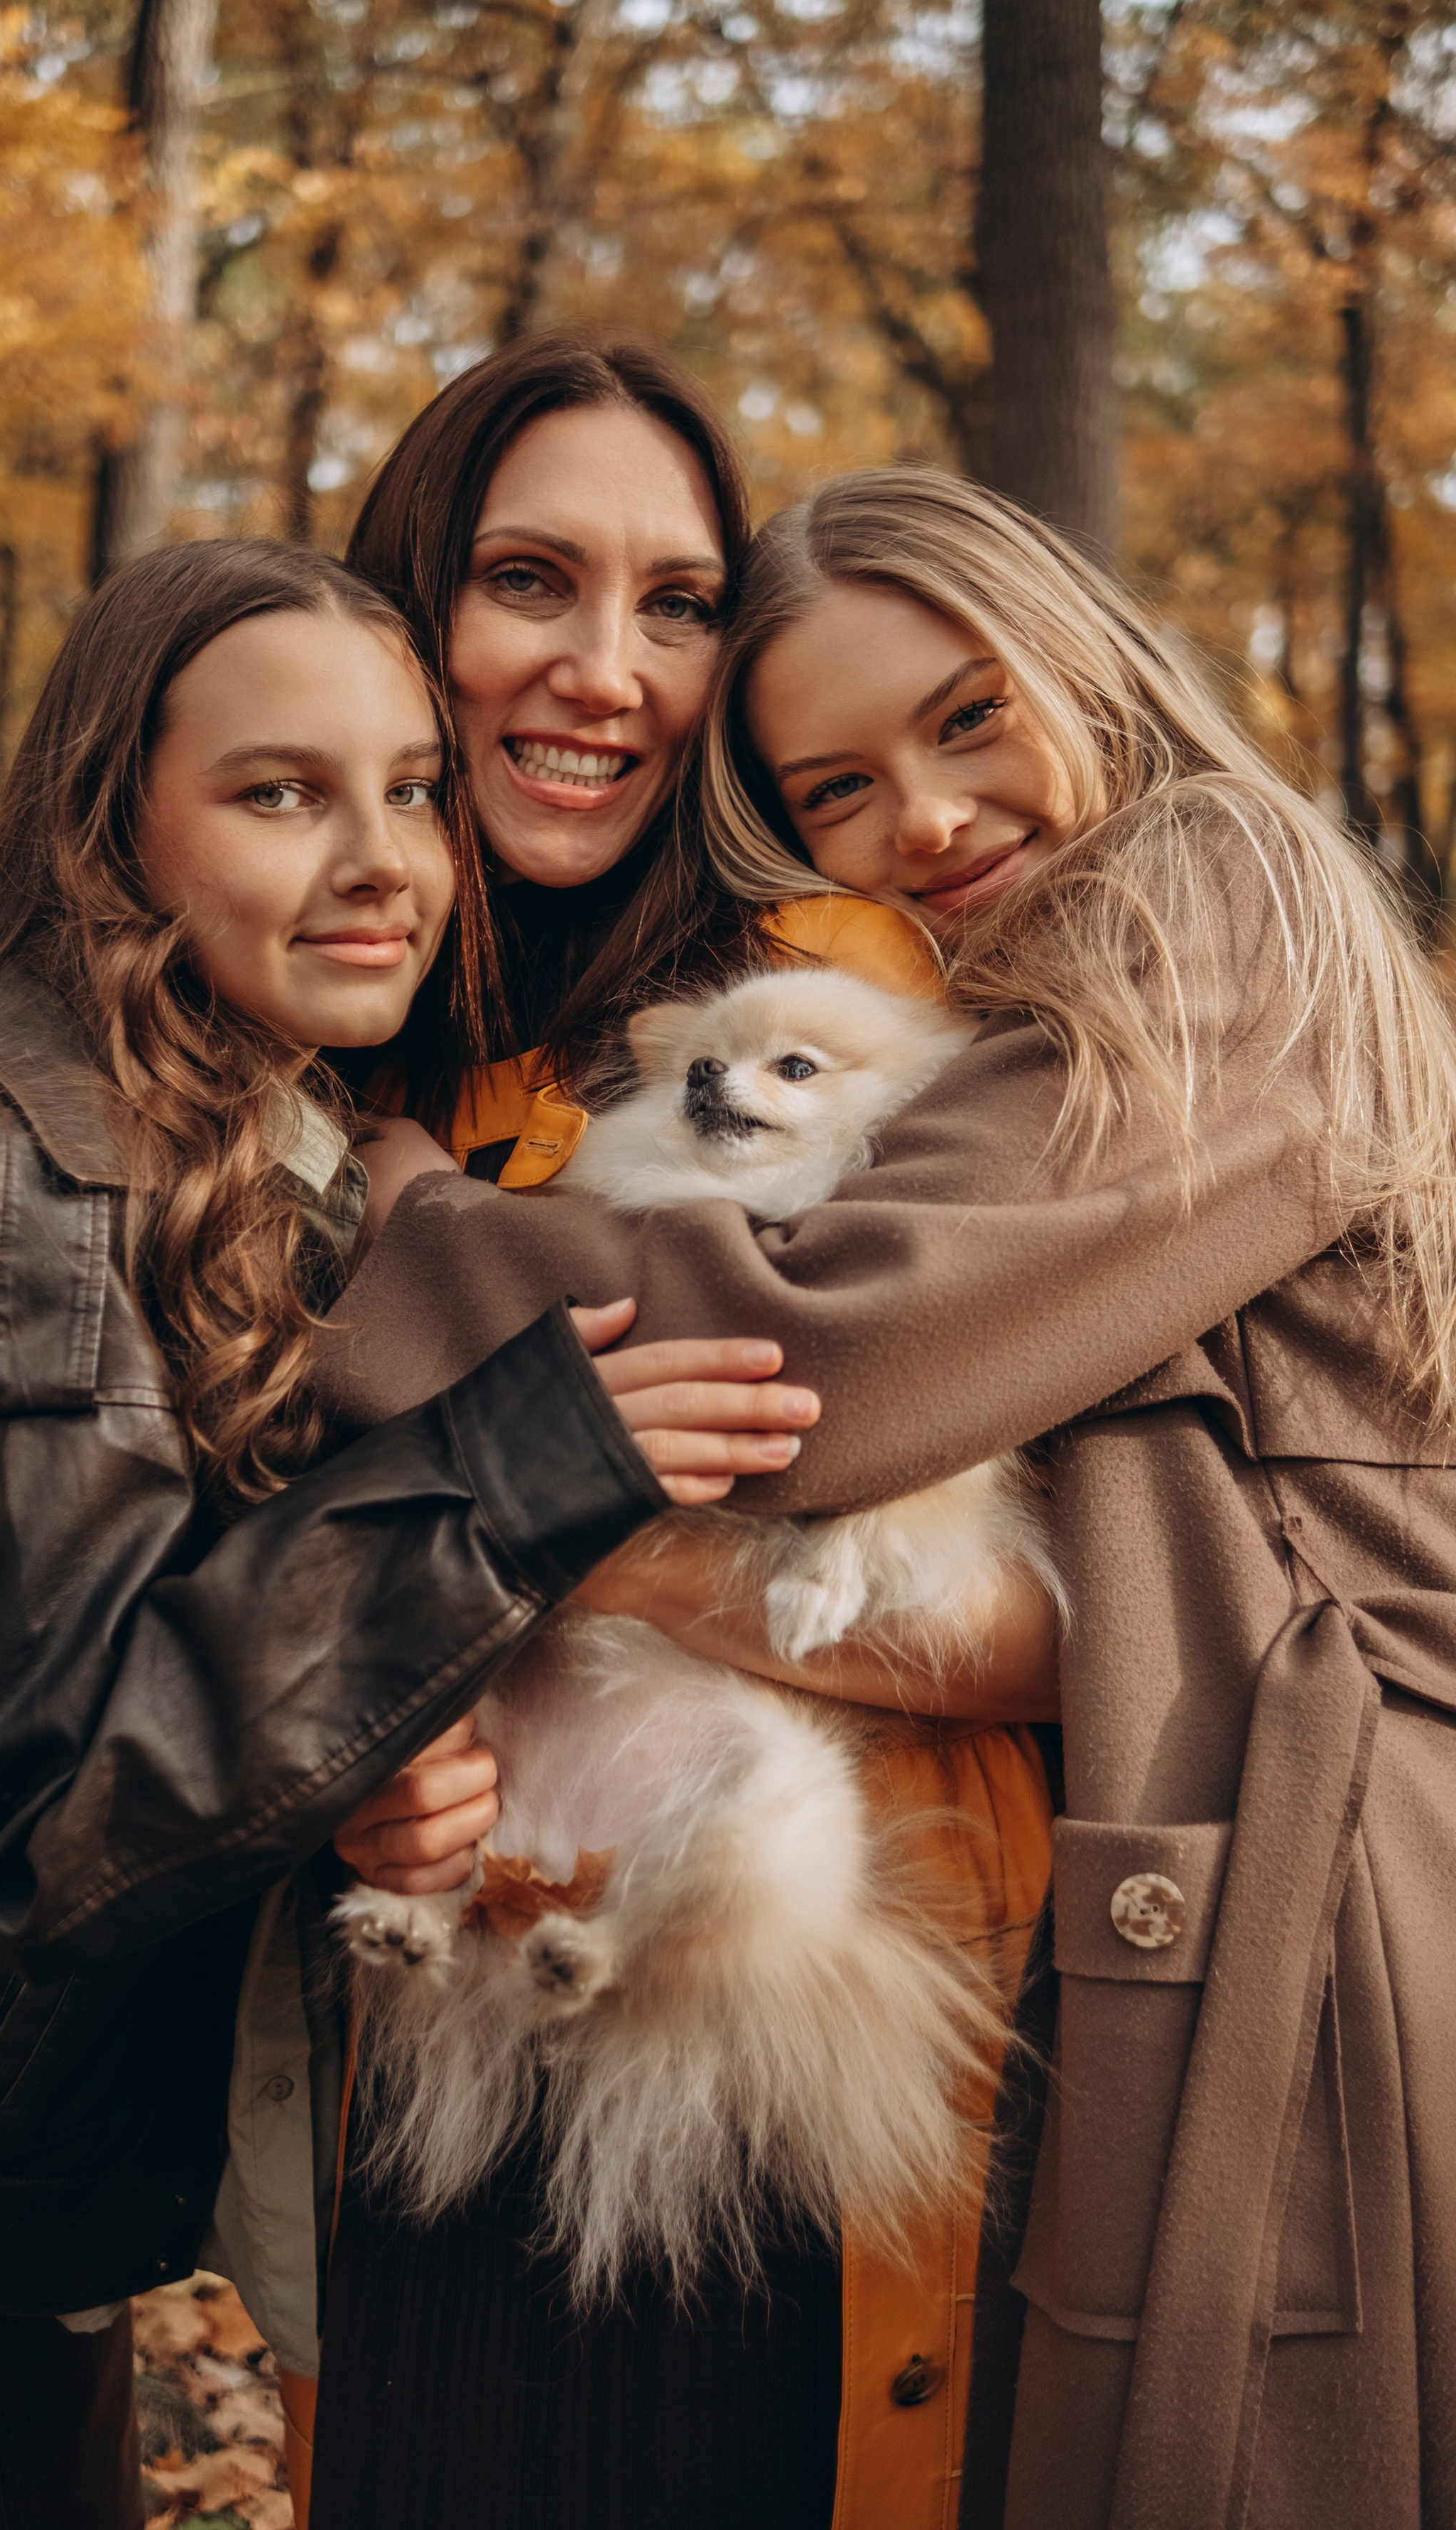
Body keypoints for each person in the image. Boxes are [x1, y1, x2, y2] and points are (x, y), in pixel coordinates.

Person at [324, 466, 1456, 2530]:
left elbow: (824, 1368)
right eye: (834, 792)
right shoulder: (1061, 978)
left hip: (1340, 1847)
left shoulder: (1217, 887)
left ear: (1083, 660)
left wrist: (392, 1220)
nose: (921, 826)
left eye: (965, 718)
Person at [0, 539, 807, 2530]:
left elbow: (150, 1635)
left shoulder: (226, 1126)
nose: (383, 859)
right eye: (282, 793)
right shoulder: (33, 1189)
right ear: (116, 834)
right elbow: (69, 1788)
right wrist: (505, 1471)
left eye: (412, 789)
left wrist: (361, 1778)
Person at [299, 343, 1058, 2530]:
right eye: (532, 581)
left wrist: (550, 1521)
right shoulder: (376, 1042)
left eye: (678, 602)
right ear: (411, 611)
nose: (607, 670)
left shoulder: (849, 994)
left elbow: (1083, 1607)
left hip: (791, 2059)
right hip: (441, 2030)